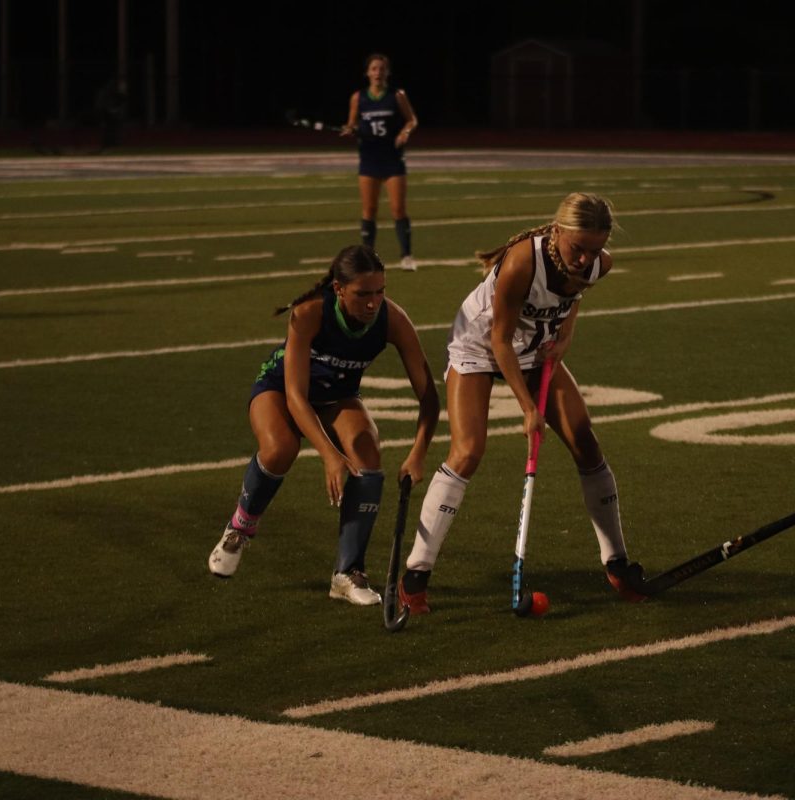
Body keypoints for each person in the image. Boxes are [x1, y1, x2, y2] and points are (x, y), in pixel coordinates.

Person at [398, 192, 649, 614]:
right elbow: (498, 339)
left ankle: (618, 565)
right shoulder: (521, 262)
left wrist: (565, 335)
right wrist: (528, 408)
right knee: (468, 451)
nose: (586, 259)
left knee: (586, 441)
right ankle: (415, 575)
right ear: (557, 231)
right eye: (578, 249)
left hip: (535, 347)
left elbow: (575, 297)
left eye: (594, 249)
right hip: (480, 345)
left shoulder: (600, 264)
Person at [208, 245, 440, 605]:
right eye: (363, 294)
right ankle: (241, 526)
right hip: (281, 388)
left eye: (380, 292)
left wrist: (419, 452)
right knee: (280, 448)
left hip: (338, 395)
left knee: (367, 452)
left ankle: (347, 573)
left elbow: (429, 398)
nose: (373, 303)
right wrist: (330, 456)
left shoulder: (393, 320)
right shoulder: (309, 312)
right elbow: (296, 397)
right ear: (338, 289)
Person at [341, 53, 418, 271]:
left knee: (398, 209)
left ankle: (407, 256)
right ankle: (368, 259)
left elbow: (412, 119)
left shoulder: (397, 95)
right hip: (369, 159)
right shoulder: (358, 97)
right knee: (369, 209)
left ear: (387, 72)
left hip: (393, 159)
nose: (377, 73)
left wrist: (405, 132)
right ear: (367, 73)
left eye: (381, 69)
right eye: (373, 69)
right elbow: (352, 123)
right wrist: (350, 130)